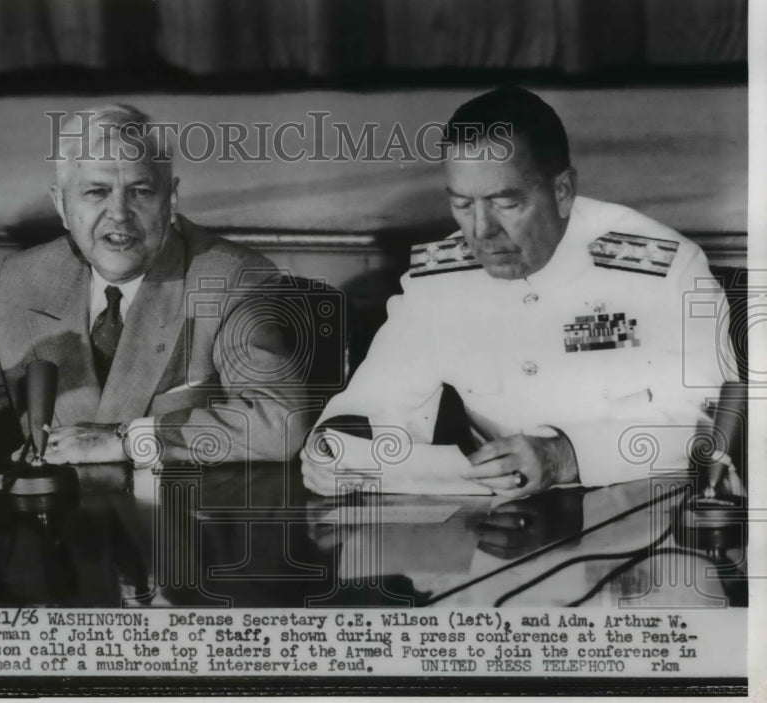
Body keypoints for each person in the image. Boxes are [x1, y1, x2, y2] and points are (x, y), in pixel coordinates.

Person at [302, 86, 737, 497]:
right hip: (503, 530)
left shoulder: (661, 266)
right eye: (462, 204)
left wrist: (566, 455)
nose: (480, 232)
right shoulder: (441, 278)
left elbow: (708, 424)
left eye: (506, 204)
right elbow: (378, 399)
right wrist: (338, 446)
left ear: (562, 191)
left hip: (647, 523)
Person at [0, 104, 311, 467]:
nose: (119, 214)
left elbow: (277, 423)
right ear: (62, 207)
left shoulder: (228, 277)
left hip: (180, 551)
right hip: (56, 554)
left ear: (171, 200)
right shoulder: (20, 283)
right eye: (95, 192)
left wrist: (125, 439)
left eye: (141, 191)